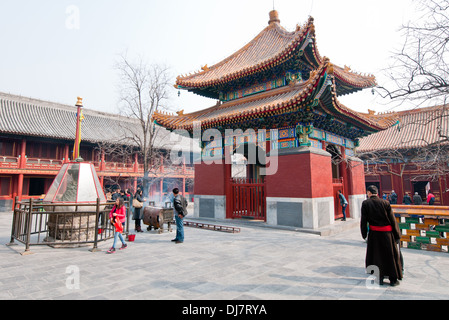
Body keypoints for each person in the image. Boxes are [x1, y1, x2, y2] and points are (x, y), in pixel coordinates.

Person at [361, 185, 402, 286]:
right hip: (387, 234)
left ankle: (380, 277)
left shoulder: (366, 203)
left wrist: (364, 233)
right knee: (390, 255)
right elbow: (392, 220)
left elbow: (363, 220)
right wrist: (397, 235)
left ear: (369, 193)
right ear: (377, 193)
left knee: (377, 255)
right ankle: (393, 279)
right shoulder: (385, 203)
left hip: (374, 234)